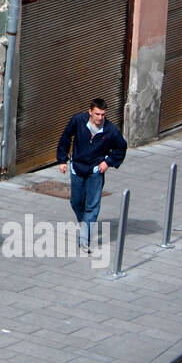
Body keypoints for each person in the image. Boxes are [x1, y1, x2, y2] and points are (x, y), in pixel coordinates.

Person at [56, 97, 127, 253]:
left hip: (95, 171)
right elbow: (65, 137)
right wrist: (62, 160)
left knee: (92, 206)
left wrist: (108, 162)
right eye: (97, 114)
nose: (100, 118)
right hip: (77, 168)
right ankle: (85, 225)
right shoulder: (78, 121)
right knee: (76, 202)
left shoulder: (110, 131)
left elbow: (121, 148)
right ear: (90, 112)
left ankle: (84, 240)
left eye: (103, 114)